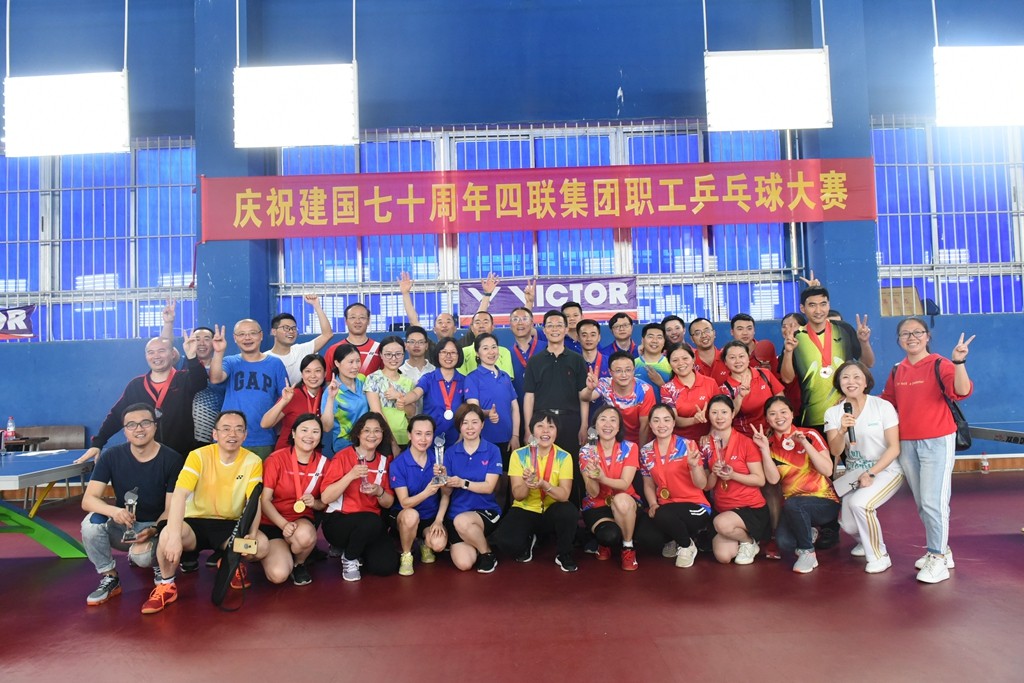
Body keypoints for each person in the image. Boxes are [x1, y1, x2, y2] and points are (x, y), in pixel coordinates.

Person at [880, 318, 974, 584]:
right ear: (899, 340)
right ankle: (943, 550)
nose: (911, 337)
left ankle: (937, 557)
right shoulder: (897, 370)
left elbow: (962, 391)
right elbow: (887, 403)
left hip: (937, 441)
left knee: (934, 502)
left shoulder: (940, 364)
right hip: (907, 443)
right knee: (923, 502)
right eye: (905, 334)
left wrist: (959, 362)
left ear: (927, 336)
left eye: (917, 332)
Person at [142, 410, 263, 614]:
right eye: (226, 429)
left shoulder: (253, 461)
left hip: (230, 526)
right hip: (195, 523)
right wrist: (174, 536)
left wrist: (251, 533)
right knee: (167, 535)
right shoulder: (198, 456)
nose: (232, 434)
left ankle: (230, 562)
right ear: (215, 434)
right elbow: (179, 495)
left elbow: (254, 502)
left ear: (245, 435)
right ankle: (167, 586)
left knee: (261, 546)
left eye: (238, 429)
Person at [80, 403, 183, 606]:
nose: (139, 429)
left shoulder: (172, 459)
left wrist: (155, 529)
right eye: (131, 425)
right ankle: (110, 577)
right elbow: (88, 499)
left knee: (142, 559)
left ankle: (156, 560)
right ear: (125, 431)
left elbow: (172, 508)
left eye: (145, 423)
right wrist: (114, 511)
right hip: (124, 526)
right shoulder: (111, 456)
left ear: (155, 426)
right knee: (90, 525)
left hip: (155, 526)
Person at [77, 334, 209, 463]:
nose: (156, 356)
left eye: (161, 351)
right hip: (145, 458)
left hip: (181, 457)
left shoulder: (184, 379)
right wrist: (98, 443)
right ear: (146, 356)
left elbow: (200, 381)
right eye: (151, 352)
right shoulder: (136, 385)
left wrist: (192, 357)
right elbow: (116, 415)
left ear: (172, 354)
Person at [824, 361, 903, 574]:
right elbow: (835, 450)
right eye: (845, 377)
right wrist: (841, 430)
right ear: (839, 383)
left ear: (866, 381)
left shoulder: (882, 406)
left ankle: (879, 555)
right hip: (854, 473)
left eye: (856, 377)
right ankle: (865, 540)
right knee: (848, 525)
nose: (851, 381)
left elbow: (894, 448)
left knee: (861, 504)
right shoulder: (833, 412)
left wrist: (871, 472)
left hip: (885, 469)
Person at [752, 397, 839, 574]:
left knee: (794, 504)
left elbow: (827, 469)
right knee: (784, 542)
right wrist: (764, 450)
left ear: (792, 414)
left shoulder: (810, 434)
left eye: (783, 412)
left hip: (824, 501)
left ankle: (808, 552)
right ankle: (809, 531)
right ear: (767, 419)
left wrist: (805, 443)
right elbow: (773, 480)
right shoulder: (769, 443)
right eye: (772, 414)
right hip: (794, 506)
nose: (779, 417)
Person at [491, 409, 578, 571]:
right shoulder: (519, 455)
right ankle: (529, 539)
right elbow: (518, 495)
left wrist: (544, 484)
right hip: (525, 508)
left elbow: (564, 495)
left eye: (551, 427)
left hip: (551, 509)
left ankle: (564, 554)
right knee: (506, 543)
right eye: (540, 426)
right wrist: (527, 483)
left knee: (568, 511)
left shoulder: (564, 457)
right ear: (532, 430)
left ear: (557, 432)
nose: (545, 431)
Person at [779, 286, 875, 432]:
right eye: (812, 305)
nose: (818, 310)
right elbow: (787, 379)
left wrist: (864, 342)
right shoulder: (795, 337)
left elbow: (868, 363)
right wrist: (788, 351)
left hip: (848, 414)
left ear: (828, 305)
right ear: (803, 308)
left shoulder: (844, 329)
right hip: (812, 417)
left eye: (823, 304)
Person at [320, 412, 399, 581]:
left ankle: (358, 550)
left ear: (383, 434)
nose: (372, 435)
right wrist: (350, 476)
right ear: (358, 433)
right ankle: (349, 558)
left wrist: (379, 491)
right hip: (339, 521)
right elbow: (326, 498)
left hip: (371, 526)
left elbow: (388, 503)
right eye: (366, 430)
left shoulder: (384, 461)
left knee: (386, 566)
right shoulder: (342, 456)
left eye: (377, 431)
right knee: (371, 520)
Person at [253, 413, 327, 586]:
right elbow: (265, 500)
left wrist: (315, 503)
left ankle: (299, 563)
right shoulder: (276, 459)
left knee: (305, 536)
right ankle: (281, 552)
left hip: (299, 522)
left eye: (315, 431)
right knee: (278, 575)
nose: (309, 436)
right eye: (304, 430)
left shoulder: (325, 464)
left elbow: (324, 503)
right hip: (272, 523)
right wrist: (283, 525)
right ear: (293, 433)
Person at [641, 403, 711, 568]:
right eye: (656, 420)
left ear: (673, 423)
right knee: (646, 536)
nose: (661, 425)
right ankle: (676, 538)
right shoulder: (646, 451)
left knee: (663, 515)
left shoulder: (688, 445)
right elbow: (648, 484)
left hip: (695, 505)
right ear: (650, 424)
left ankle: (687, 546)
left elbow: (702, 484)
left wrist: (694, 466)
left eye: (666, 420)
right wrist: (653, 504)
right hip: (665, 506)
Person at [703, 395, 769, 565]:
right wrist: (714, 473)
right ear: (708, 415)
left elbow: (760, 480)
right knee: (723, 557)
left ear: (732, 414)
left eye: (724, 412)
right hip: (723, 508)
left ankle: (749, 541)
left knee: (721, 524)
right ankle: (741, 538)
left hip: (750, 508)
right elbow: (707, 486)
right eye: (714, 412)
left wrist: (733, 476)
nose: (719, 417)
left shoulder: (746, 443)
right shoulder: (705, 444)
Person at [209, 321, 290, 458]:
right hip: (229, 438)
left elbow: (286, 399)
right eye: (241, 334)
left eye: (252, 333)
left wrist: (275, 425)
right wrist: (218, 352)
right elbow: (215, 378)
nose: (247, 338)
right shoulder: (230, 362)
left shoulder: (275, 364)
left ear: (261, 335)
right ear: (235, 338)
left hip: (262, 438)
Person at [578, 405, 643, 571]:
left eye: (613, 420)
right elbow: (593, 492)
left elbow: (625, 484)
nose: (608, 424)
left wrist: (603, 478)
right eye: (603, 419)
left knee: (621, 500)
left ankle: (628, 547)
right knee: (609, 536)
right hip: (597, 504)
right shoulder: (586, 451)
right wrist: (593, 475)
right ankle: (605, 542)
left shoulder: (630, 447)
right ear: (595, 425)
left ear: (619, 427)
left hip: (625, 501)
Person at [523, 310, 590, 466]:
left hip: (571, 422)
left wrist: (584, 425)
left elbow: (583, 396)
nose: (555, 329)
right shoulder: (534, 361)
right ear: (544, 330)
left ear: (566, 329)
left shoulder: (577, 360)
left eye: (559, 325)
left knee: (570, 467)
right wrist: (527, 429)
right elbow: (529, 396)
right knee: (541, 467)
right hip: (542, 423)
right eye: (550, 326)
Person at [441, 404, 503, 573]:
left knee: (462, 521)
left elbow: (489, 487)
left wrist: (463, 483)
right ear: (459, 426)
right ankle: (476, 540)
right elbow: (446, 493)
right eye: (465, 423)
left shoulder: (492, 450)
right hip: (457, 513)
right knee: (464, 564)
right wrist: (444, 481)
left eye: (474, 422)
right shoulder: (450, 453)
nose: (470, 427)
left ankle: (487, 553)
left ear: (482, 424)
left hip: (486, 511)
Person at [390, 415, 450, 576]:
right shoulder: (398, 464)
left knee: (438, 544)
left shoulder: (438, 459)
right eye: (418, 433)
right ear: (409, 435)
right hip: (406, 515)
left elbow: (446, 494)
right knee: (411, 516)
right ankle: (407, 554)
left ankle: (424, 542)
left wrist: (439, 520)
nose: (423, 439)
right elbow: (404, 503)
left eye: (428, 434)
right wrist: (427, 492)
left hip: (430, 517)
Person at [401, 336, 467, 446]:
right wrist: (403, 399)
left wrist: (462, 436)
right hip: (428, 440)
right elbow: (416, 393)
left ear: (459, 355)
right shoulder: (428, 378)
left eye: (453, 352)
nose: (448, 356)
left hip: (457, 440)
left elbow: (469, 410)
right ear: (437, 354)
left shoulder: (465, 381)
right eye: (444, 352)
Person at [582, 350, 656, 446]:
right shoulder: (605, 384)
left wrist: (641, 452)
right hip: (611, 438)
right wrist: (589, 389)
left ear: (634, 370)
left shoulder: (645, 390)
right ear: (610, 372)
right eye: (618, 371)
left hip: (637, 440)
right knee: (592, 433)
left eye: (628, 370)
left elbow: (645, 427)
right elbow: (586, 398)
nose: (624, 375)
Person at [465, 332, 521, 459]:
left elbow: (515, 408)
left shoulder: (505, 376)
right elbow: (473, 410)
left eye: (494, 347)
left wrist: (515, 436)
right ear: (477, 353)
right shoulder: (472, 378)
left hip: (508, 440)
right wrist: (487, 413)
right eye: (485, 348)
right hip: (484, 441)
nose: (491, 352)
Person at [261, 353, 327, 450]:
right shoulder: (292, 395)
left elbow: (326, 427)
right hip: (286, 452)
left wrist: (330, 398)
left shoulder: (327, 396)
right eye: (308, 371)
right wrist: (284, 401)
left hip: (312, 453)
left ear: (325, 373)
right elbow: (265, 424)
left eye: (317, 371)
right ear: (302, 374)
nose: (313, 375)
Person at [719, 340, 784, 438]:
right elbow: (727, 417)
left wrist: (775, 426)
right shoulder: (724, 389)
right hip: (747, 437)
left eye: (741, 356)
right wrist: (740, 396)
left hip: (774, 431)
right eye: (732, 357)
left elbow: (781, 401)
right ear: (725, 362)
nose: (738, 361)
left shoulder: (765, 374)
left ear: (748, 358)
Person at [364, 335, 416, 454]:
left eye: (398, 354)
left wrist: (399, 397)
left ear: (403, 355)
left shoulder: (408, 381)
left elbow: (411, 413)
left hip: (404, 436)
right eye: (388, 354)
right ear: (381, 355)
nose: (393, 358)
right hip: (381, 438)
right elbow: (377, 412)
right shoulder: (373, 378)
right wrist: (392, 442)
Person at [266, 295, 334, 384]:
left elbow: (327, 334)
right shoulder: (265, 358)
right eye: (286, 328)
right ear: (274, 331)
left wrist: (316, 306)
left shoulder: (301, 350)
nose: (291, 331)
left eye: (294, 328)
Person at [659, 343, 720, 441]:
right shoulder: (667, 389)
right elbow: (673, 419)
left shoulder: (710, 383)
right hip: (681, 443)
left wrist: (709, 435)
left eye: (685, 358)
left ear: (693, 359)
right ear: (669, 363)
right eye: (675, 360)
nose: (680, 363)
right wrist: (694, 420)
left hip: (708, 440)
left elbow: (720, 414)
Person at [321, 343, 370, 454]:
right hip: (345, 446)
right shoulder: (331, 391)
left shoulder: (363, 380)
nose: (355, 366)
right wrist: (331, 398)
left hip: (368, 442)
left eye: (358, 361)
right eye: (350, 362)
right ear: (337, 363)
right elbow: (326, 427)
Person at [324, 302, 381, 379]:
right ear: (345, 321)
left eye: (362, 317)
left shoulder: (379, 348)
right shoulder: (333, 350)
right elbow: (328, 380)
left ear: (368, 321)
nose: (357, 321)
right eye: (353, 317)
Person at [507, 306, 547, 404]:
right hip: (517, 409)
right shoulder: (506, 354)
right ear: (510, 325)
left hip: (545, 408)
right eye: (515, 319)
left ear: (532, 323)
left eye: (524, 319)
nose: (520, 323)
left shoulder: (546, 348)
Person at [776, 313, 806, 418]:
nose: (787, 329)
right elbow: (786, 379)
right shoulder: (785, 350)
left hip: (807, 407)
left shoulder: (808, 349)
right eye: (784, 326)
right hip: (792, 408)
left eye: (793, 325)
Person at [688, 317, 729, 386]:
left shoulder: (727, 358)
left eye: (707, 331)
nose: (703, 335)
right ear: (692, 339)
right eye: (697, 333)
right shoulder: (689, 363)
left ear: (714, 333)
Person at [634, 322, 671, 387]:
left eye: (659, 337)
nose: (654, 341)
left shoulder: (671, 364)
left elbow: (677, 392)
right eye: (650, 337)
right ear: (643, 340)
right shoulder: (633, 364)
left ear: (664, 342)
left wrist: (660, 383)